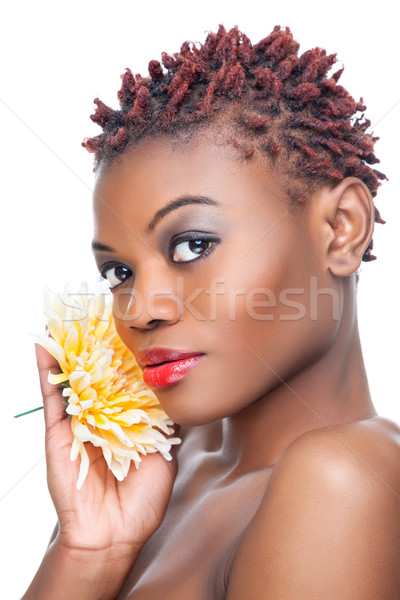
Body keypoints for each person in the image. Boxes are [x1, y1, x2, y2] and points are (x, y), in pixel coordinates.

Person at [23, 24, 400, 599]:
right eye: (119, 273)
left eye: (192, 245)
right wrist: (87, 552)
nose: (141, 309)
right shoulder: (162, 463)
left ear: (341, 227)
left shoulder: (342, 478)